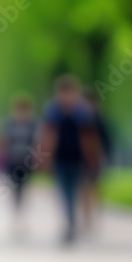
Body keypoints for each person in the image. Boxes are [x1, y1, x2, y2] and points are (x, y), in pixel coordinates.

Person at [39, 75, 101, 244]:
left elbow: (89, 136)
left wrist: (92, 157)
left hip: (77, 158)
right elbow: (47, 135)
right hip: (60, 158)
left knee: (75, 190)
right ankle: (70, 223)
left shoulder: (82, 111)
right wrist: (44, 157)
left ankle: (72, 222)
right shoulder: (53, 110)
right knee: (63, 191)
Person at [0, 95, 38, 210]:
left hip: (27, 159)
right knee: (14, 183)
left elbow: (37, 140)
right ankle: (16, 204)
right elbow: (4, 140)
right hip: (13, 159)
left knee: (24, 183)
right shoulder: (9, 123)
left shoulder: (32, 124)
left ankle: (21, 203)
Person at [81, 88, 111, 231]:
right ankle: (87, 216)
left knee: (93, 186)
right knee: (84, 187)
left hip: (95, 158)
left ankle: (94, 214)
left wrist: (105, 155)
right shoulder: (78, 117)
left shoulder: (98, 118)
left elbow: (106, 139)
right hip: (81, 158)